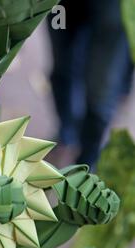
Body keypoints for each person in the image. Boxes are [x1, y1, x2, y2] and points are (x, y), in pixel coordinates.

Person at [48, 0, 133, 168]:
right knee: (61, 68)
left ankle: (86, 162)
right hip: (61, 5)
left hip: (112, 6)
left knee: (100, 95)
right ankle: (66, 132)